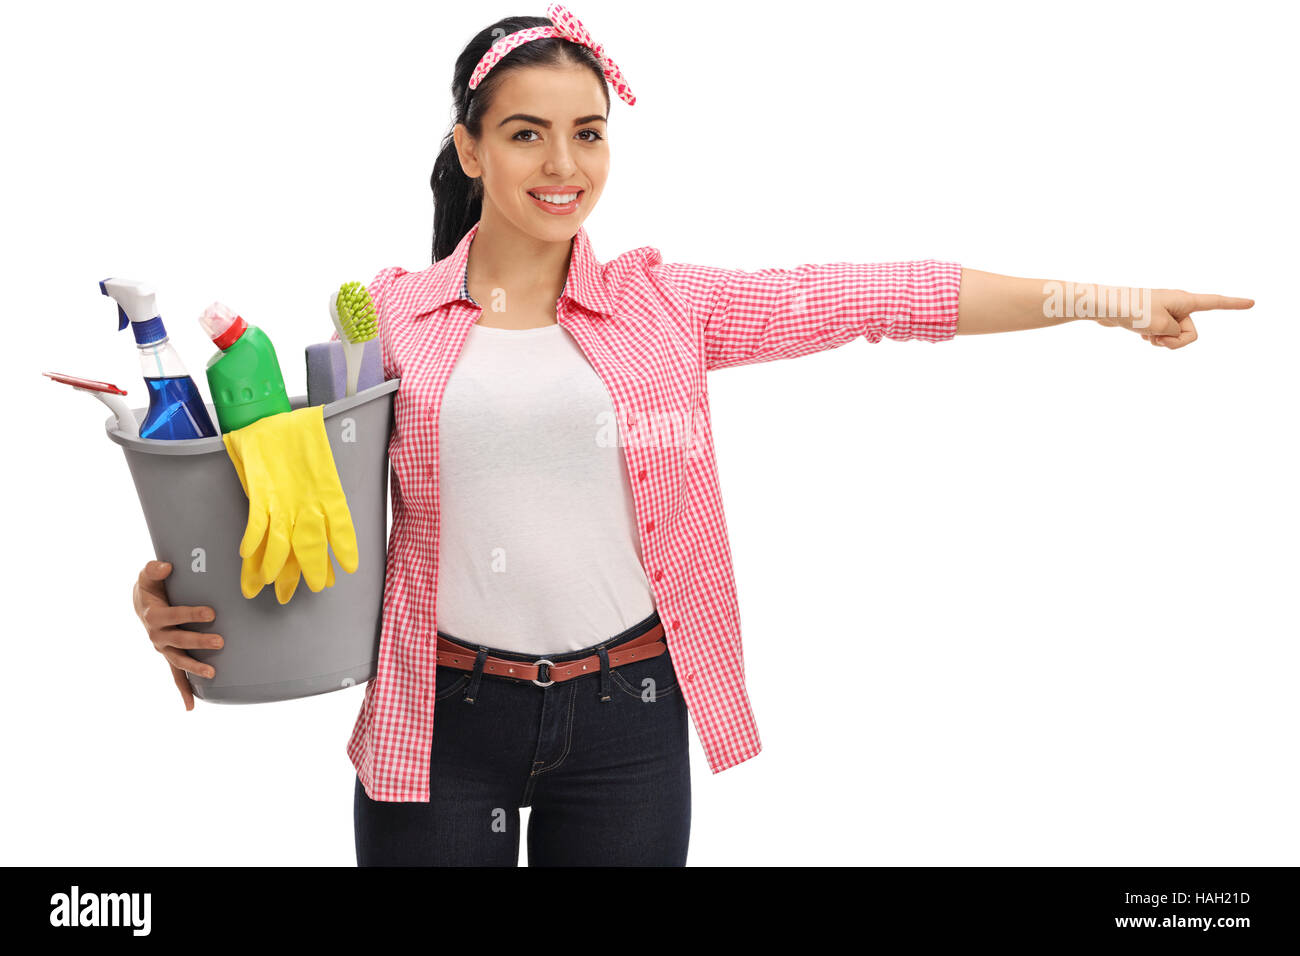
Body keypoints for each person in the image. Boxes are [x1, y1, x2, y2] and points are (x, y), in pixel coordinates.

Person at [131, 5, 1254, 867]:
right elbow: (273, 494)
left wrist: (1105, 299)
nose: (562, 166)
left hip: (627, 716)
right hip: (439, 716)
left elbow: (883, 296)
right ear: (468, 150)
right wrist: (169, 594)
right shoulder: (383, 321)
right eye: (525, 135)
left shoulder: (668, 306)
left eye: (587, 134)